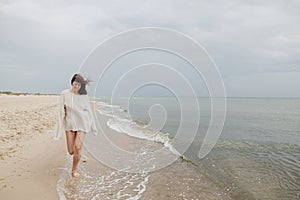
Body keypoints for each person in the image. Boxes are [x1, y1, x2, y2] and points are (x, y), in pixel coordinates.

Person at [53, 73, 98, 177]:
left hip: (83, 124)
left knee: (77, 147)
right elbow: (61, 111)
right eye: (75, 84)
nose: (77, 87)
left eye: (79, 85)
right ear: (72, 83)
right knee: (71, 151)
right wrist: (58, 129)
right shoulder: (64, 94)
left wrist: (93, 128)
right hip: (69, 125)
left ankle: (74, 170)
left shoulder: (84, 96)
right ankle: (79, 154)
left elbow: (89, 111)